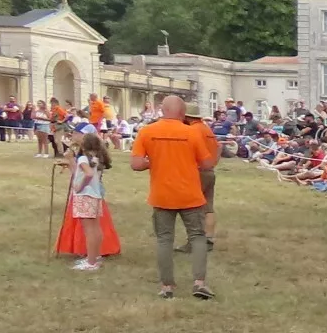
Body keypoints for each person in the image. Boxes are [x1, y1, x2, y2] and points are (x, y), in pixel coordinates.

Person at [130, 95, 218, 300]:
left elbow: (135, 164)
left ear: (162, 111)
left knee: (164, 239)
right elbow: (206, 164)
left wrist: (154, 161)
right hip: (190, 195)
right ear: (181, 113)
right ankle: (199, 283)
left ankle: (167, 286)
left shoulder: (147, 131)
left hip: (162, 194)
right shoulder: (192, 133)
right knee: (197, 237)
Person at [177, 111, 220, 254]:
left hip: (197, 171)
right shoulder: (206, 128)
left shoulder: (192, 130)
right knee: (208, 207)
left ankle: (194, 242)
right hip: (209, 171)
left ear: (187, 117)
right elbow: (218, 147)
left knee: (192, 207)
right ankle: (208, 240)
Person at [70, 132, 111, 272]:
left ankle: (91, 262)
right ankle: (95, 256)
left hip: (84, 195)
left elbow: (88, 174)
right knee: (96, 228)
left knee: (89, 230)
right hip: (95, 195)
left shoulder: (82, 158)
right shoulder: (96, 159)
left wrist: (79, 186)